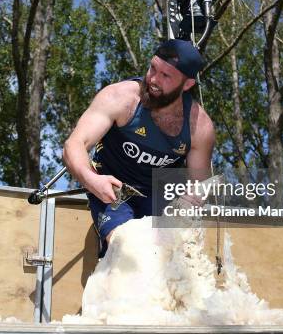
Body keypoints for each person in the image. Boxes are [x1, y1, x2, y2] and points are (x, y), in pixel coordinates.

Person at [63, 39, 215, 257]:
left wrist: (183, 210)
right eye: (153, 68)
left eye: (166, 76)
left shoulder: (199, 127)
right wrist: (91, 179)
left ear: (188, 84)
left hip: (159, 196)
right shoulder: (121, 97)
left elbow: (198, 185)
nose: (153, 79)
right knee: (126, 248)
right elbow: (74, 144)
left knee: (166, 256)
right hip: (113, 188)